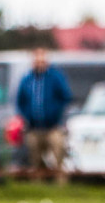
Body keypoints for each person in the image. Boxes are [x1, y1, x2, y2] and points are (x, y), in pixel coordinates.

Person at [16, 48, 72, 184]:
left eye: (42, 60)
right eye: (37, 61)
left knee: (58, 154)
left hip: (53, 126)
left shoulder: (55, 77)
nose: (39, 63)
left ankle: (61, 186)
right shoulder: (27, 79)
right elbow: (20, 101)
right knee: (35, 159)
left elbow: (66, 96)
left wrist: (56, 113)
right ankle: (39, 186)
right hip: (34, 127)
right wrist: (27, 116)